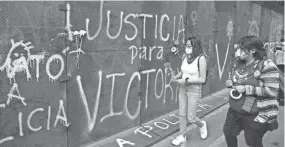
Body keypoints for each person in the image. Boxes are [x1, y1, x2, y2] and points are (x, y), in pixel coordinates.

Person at [224, 36, 280, 147]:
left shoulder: (267, 65)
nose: (238, 51)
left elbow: (272, 91)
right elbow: (237, 79)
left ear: (253, 50)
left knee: (252, 142)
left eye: (242, 48)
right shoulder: (239, 63)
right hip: (234, 110)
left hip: (254, 113)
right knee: (228, 133)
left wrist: (246, 89)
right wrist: (230, 83)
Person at [171, 37, 208, 146]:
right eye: (186, 45)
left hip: (194, 89)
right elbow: (183, 71)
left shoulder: (201, 59)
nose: (187, 48)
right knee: (182, 114)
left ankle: (201, 125)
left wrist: (186, 80)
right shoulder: (184, 56)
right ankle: (182, 136)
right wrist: (176, 77)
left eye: (189, 46)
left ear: (195, 47)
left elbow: (202, 79)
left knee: (191, 117)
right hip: (183, 88)